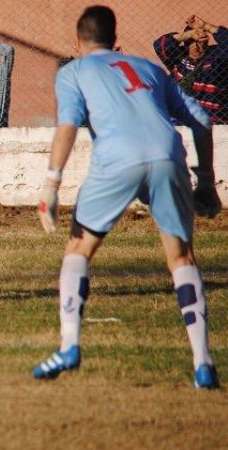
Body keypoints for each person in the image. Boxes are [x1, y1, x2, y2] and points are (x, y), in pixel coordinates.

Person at [34, 6, 221, 388]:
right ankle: (203, 364)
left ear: (78, 42)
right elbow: (202, 121)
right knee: (181, 258)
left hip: (116, 159)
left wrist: (51, 184)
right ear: (115, 39)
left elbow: (67, 127)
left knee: (78, 249)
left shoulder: (74, 71)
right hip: (167, 154)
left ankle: (69, 346)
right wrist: (205, 180)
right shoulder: (149, 68)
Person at [154, 15, 228, 124]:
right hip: (182, 121)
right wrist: (189, 34)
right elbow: (160, 45)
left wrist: (206, 26)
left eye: (201, 42)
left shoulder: (216, 57)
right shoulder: (179, 58)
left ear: (207, 42)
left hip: (214, 121)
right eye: (191, 42)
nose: (196, 46)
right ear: (186, 44)